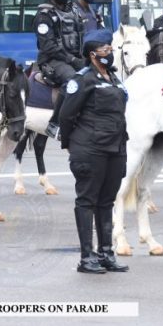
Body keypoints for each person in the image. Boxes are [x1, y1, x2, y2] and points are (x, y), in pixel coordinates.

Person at [59, 29, 129, 274]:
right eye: (105, 50)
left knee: (106, 201)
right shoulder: (82, 79)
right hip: (90, 147)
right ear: (92, 54)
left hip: (115, 146)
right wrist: (70, 144)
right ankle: (87, 257)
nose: (110, 53)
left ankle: (106, 253)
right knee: (87, 200)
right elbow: (66, 114)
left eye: (110, 49)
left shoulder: (114, 78)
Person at [34, 0, 85, 140]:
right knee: (73, 81)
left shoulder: (75, 11)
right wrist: (72, 60)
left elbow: (80, 37)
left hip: (75, 57)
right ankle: (55, 124)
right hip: (53, 60)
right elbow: (47, 45)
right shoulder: (44, 15)